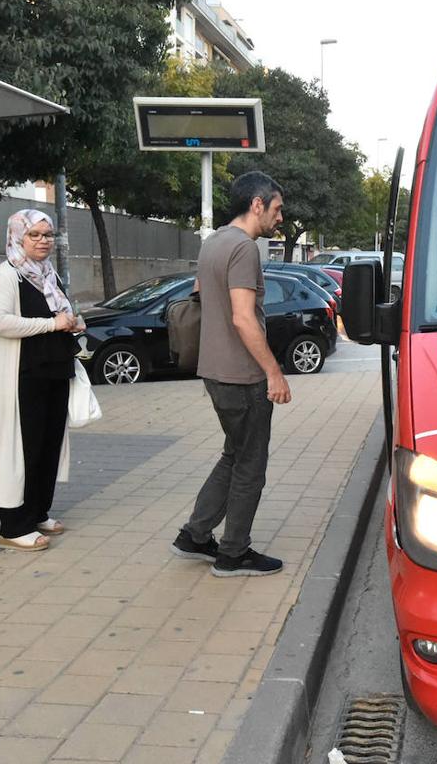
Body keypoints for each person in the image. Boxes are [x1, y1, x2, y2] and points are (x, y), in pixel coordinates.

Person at [171, 171, 292, 578]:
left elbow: (204, 297)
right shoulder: (244, 250)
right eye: (276, 209)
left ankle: (195, 535)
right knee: (250, 465)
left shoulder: (214, 243)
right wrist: (273, 372)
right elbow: (243, 318)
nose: (280, 218)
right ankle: (234, 552)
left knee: (234, 454)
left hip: (214, 371)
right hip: (242, 378)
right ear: (256, 204)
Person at [0, 209, 84, 552]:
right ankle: (13, 526)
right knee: (23, 449)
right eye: (34, 235)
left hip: (53, 373)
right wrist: (52, 324)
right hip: (22, 378)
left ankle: (37, 512)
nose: (42, 241)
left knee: (47, 447)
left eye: (47, 235)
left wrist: (73, 323)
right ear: (17, 237)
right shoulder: (6, 276)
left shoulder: (47, 275)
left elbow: (58, 314)